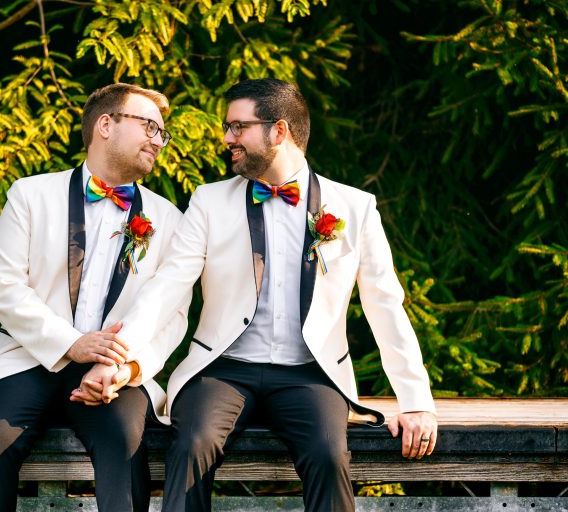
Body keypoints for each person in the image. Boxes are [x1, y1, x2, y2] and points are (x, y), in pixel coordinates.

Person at [75, 78, 438, 511]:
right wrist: (118, 361)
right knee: (192, 445)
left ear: (278, 131)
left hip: (311, 373)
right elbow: (167, 287)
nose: (227, 138)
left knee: (328, 455)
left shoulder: (355, 207)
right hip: (223, 368)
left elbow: (386, 305)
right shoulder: (209, 202)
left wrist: (416, 402)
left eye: (238, 127)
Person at [0, 82, 191, 512]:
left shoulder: (170, 220)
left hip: (113, 372)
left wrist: (127, 367)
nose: (158, 141)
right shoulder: (30, 195)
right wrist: (71, 343)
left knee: (124, 442)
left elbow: (172, 315)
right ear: (106, 124)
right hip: (28, 356)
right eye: (149, 127)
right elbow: (2, 285)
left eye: (163, 133)